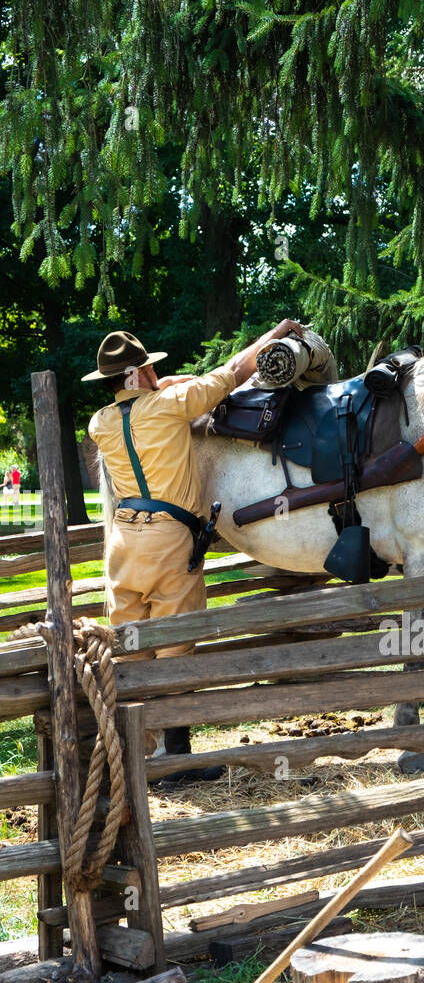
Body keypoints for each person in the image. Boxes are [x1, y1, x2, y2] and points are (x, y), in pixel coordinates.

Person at [83, 320, 303, 785]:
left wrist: (148, 382)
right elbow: (235, 370)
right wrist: (275, 334)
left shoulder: (100, 423)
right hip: (169, 537)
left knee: (130, 647)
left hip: (122, 541)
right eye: (146, 368)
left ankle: (138, 759)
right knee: (176, 645)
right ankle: (178, 760)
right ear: (139, 374)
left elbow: (150, 394)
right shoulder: (171, 405)